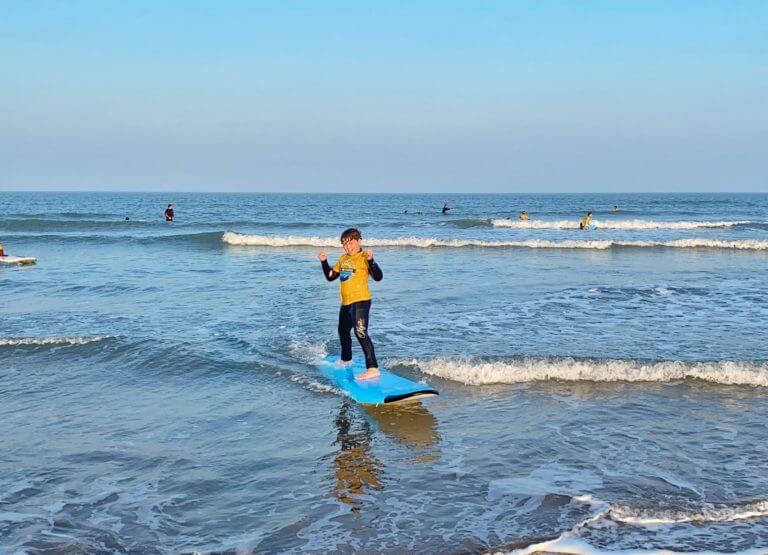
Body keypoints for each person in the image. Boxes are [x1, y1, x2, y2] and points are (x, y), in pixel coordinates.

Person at [318, 228, 384, 381]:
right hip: (346, 303)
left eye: (351, 243)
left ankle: (373, 368)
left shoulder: (364, 257)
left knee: (360, 332)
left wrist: (371, 260)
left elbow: (378, 277)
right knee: (343, 331)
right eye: (344, 244)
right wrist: (323, 261)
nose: (348, 247)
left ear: (359, 241)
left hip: (361, 301)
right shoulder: (342, 259)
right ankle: (346, 359)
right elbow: (330, 276)